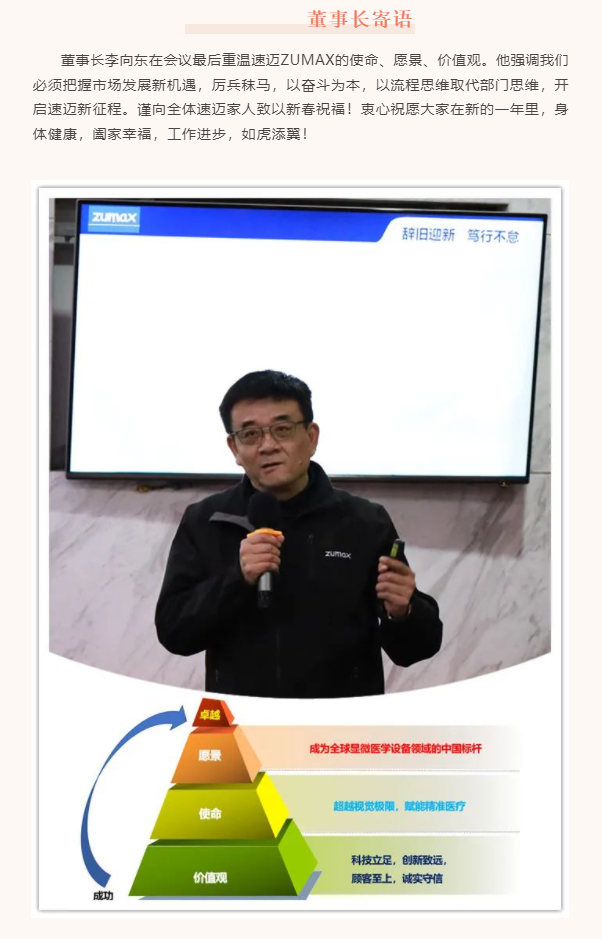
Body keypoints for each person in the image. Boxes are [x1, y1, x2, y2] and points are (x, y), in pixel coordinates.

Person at [156, 370, 442, 698]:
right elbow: (175, 633)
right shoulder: (207, 520)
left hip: (339, 722)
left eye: (282, 429)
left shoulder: (364, 521)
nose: (267, 446)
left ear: (311, 436)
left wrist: (404, 612)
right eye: (250, 434)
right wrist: (237, 578)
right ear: (234, 447)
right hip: (242, 720)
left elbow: (414, 650)